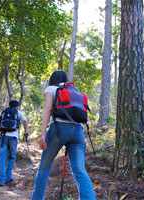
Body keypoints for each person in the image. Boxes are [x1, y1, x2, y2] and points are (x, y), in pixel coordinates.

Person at [32, 71, 96, 200]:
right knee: (79, 171)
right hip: (78, 131)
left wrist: (42, 133)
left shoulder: (52, 88)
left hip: (59, 130)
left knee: (44, 169)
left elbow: (48, 109)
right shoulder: (74, 91)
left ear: (52, 79)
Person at [0, 100, 28, 187]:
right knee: (11, 157)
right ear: (17, 106)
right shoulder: (18, 112)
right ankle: (8, 177)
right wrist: (25, 131)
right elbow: (25, 120)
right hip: (13, 138)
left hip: (3, 137)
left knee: (1, 157)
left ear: (9, 105)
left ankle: (0, 180)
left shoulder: (4, 112)